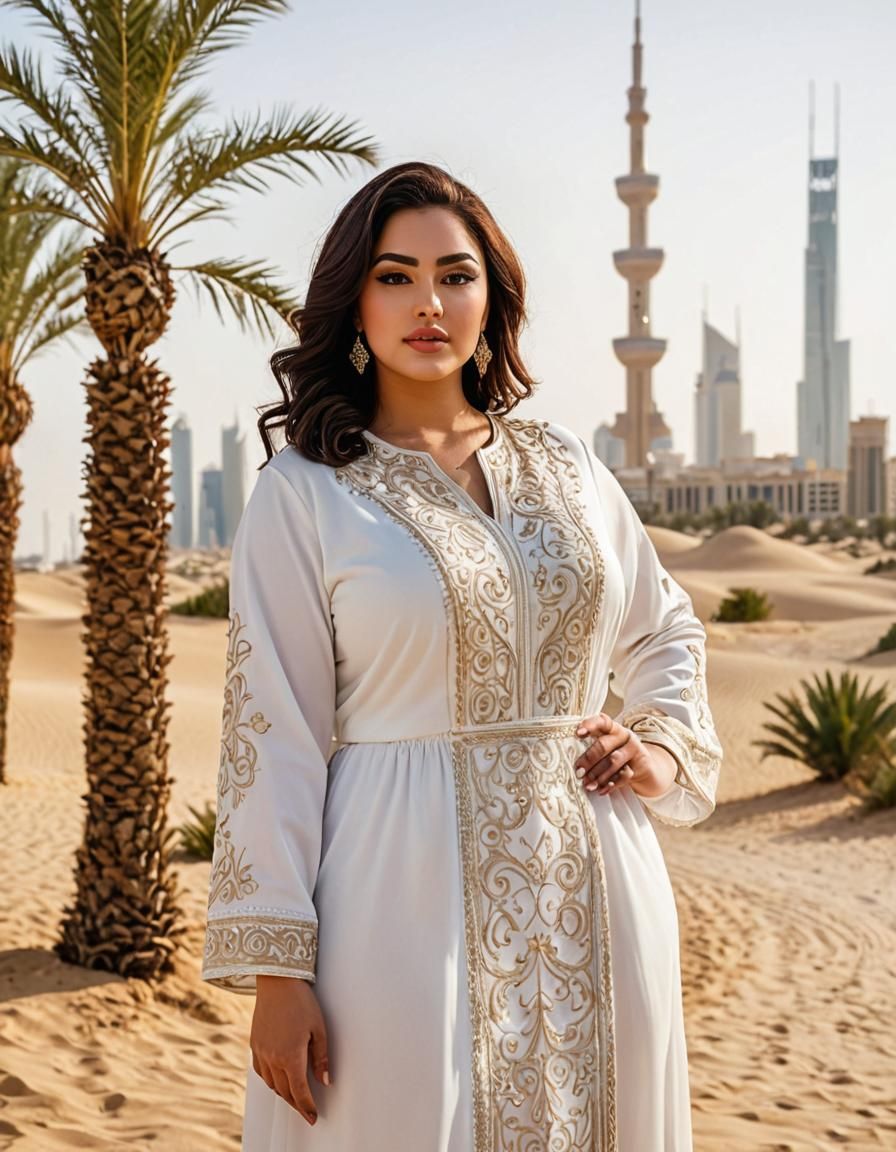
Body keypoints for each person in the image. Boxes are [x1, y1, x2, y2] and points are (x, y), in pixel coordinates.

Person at [201, 161, 723, 1152]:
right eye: (394, 276)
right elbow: (271, 732)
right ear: (353, 301)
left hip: (598, 890)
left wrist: (658, 748)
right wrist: (278, 971)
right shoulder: (306, 492)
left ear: (493, 296)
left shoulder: (564, 465)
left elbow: (664, 631)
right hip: (394, 900)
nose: (428, 303)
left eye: (456, 273)